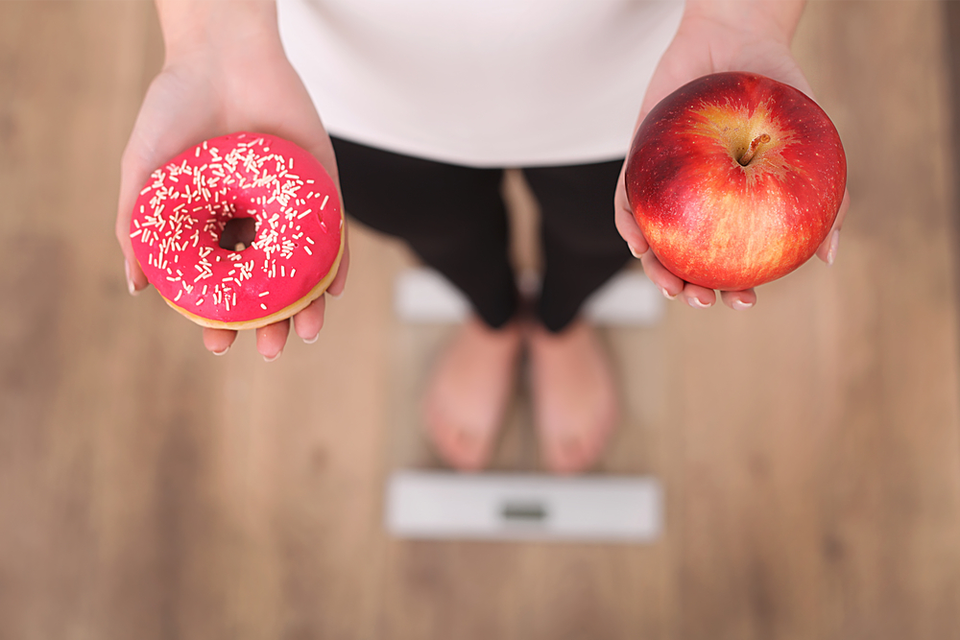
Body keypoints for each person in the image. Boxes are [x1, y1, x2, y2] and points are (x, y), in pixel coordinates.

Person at [116, 0, 848, 474]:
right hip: (340, 77)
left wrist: (744, 17)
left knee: (605, 233)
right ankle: (492, 316)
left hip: (657, 73)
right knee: (430, 223)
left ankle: (560, 322)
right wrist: (211, 32)